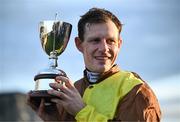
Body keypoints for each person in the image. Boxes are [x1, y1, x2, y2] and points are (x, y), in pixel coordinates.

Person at [27, 7, 161, 121]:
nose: (104, 48)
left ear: (119, 44)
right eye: (95, 40)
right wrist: (55, 120)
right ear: (79, 44)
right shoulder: (72, 91)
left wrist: (83, 111)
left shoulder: (136, 90)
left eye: (110, 41)